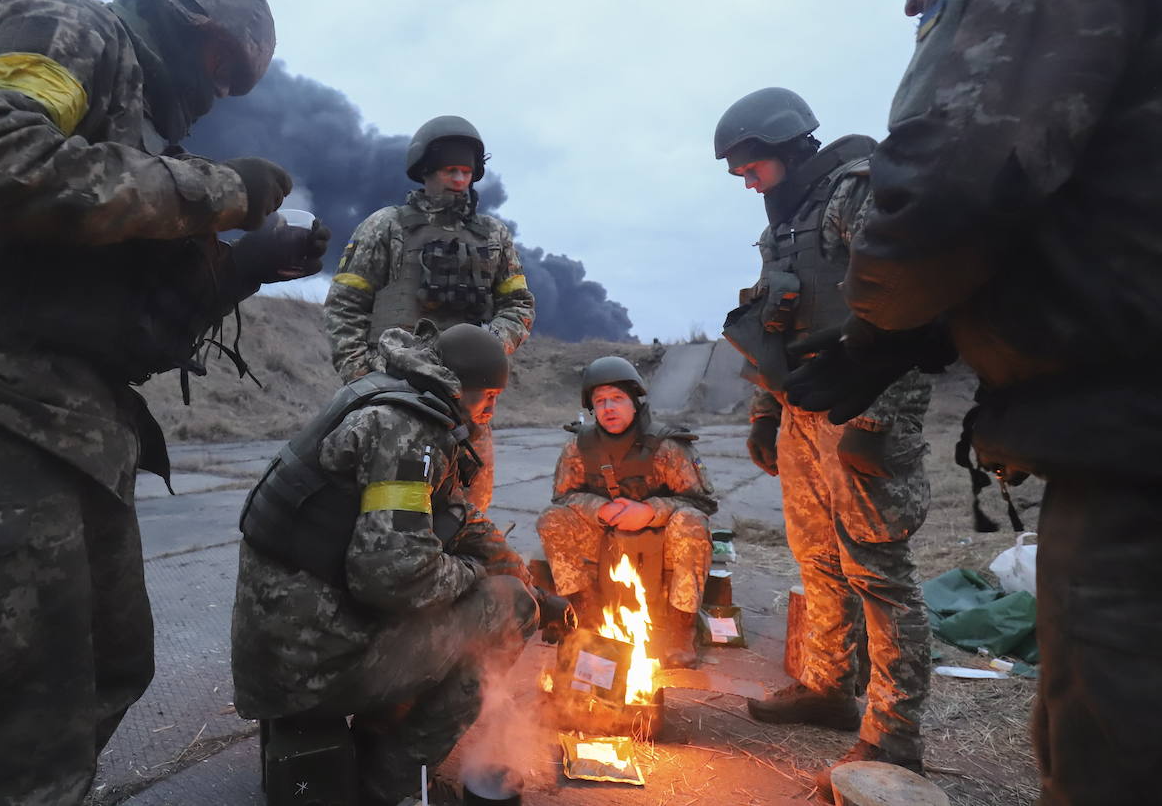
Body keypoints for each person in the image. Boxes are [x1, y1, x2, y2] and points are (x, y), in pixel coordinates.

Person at [0, 0, 327, 804]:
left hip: (70, 430)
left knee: (109, 668)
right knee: (14, 718)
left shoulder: (137, 143)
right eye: (221, 67)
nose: (216, 94)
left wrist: (247, 266)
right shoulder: (72, 28)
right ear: (181, 15)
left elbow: (136, 340)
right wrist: (220, 189)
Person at [786, 0, 1162, 802]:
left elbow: (950, 176)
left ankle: (892, 734)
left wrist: (884, 330)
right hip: (1130, 415)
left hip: (1139, 440)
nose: (912, 0)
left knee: (1114, 748)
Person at [232, 322, 558, 806]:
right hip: (309, 668)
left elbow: (453, 512)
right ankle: (386, 782)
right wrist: (484, 578)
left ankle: (378, 739)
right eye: (485, 394)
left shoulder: (390, 394)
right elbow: (394, 577)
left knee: (502, 589)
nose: (491, 408)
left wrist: (513, 566)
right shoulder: (409, 431)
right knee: (509, 610)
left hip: (285, 650)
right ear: (456, 387)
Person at [716, 88, 932, 793]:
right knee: (817, 557)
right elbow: (768, 323)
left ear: (787, 149)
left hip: (861, 405)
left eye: (753, 168)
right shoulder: (784, 226)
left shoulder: (855, 196)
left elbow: (901, 314)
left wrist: (876, 421)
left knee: (878, 569)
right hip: (803, 412)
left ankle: (894, 734)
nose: (746, 183)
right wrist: (763, 411)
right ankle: (828, 686)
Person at [323, 116, 536, 511]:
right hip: (395, 392)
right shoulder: (386, 227)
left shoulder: (493, 236)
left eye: (467, 172)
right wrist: (361, 374)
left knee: (468, 515)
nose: (459, 179)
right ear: (425, 170)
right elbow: (345, 304)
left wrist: (488, 348)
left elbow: (519, 305)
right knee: (389, 509)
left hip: (467, 403)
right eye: (449, 170)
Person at [535, 356, 716, 668]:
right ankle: (586, 618)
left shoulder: (668, 447)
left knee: (692, 523)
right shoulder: (579, 448)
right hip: (603, 535)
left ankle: (680, 631)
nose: (609, 408)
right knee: (552, 521)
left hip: (661, 539)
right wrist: (599, 508)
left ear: (635, 402)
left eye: (617, 399)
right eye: (600, 401)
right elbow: (563, 498)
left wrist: (650, 511)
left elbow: (702, 503)